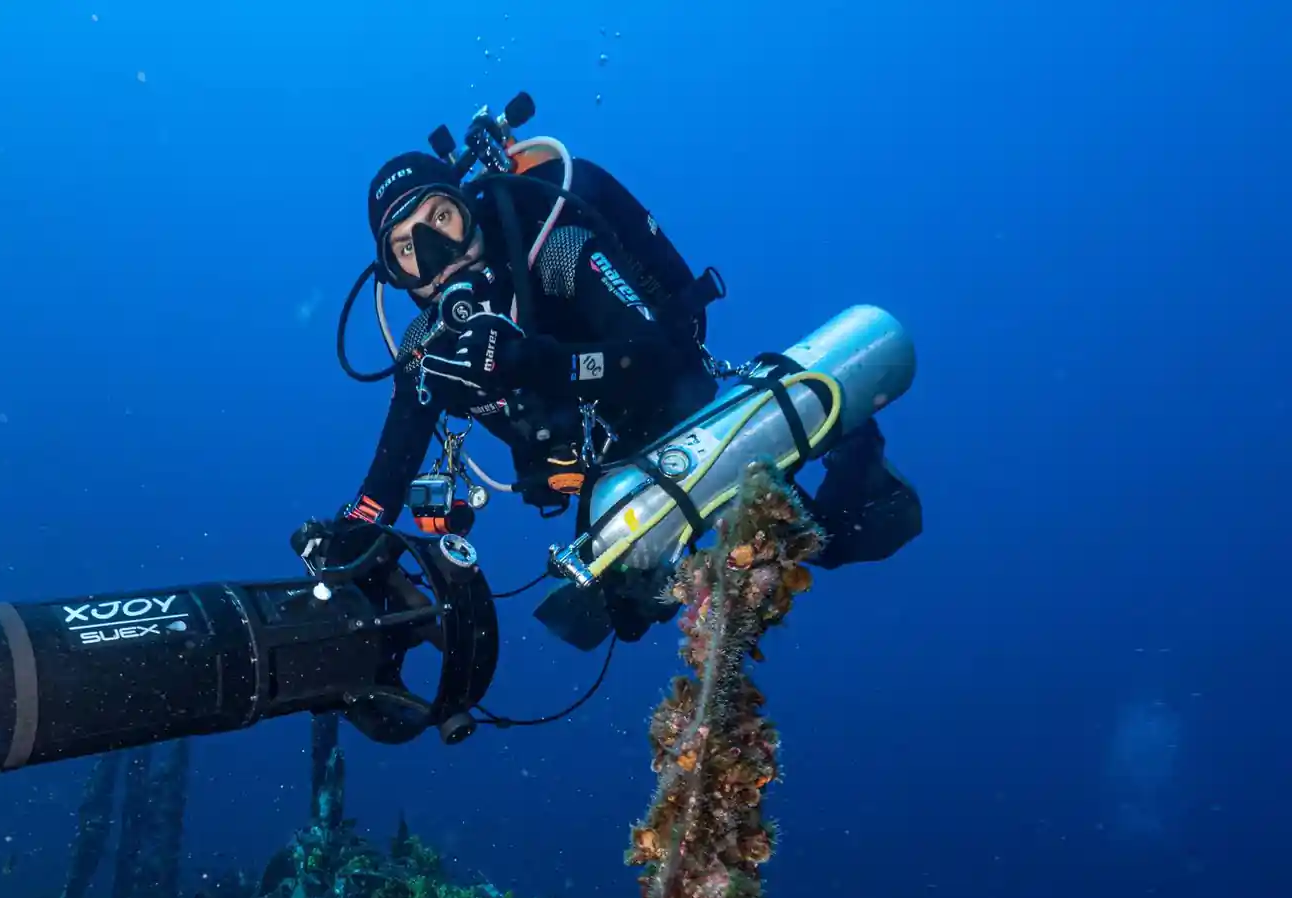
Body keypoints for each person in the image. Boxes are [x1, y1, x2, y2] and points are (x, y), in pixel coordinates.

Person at [304, 145, 923, 647]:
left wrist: (531, 364)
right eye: (409, 248)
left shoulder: (553, 248)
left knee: (836, 535)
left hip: (675, 409)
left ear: (469, 208)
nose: (435, 253)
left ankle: (857, 455)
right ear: (395, 276)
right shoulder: (426, 345)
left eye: (441, 218)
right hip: (597, 466)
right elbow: (389, 470)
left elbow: (659, 352)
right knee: (621, 617)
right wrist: (350, 535)